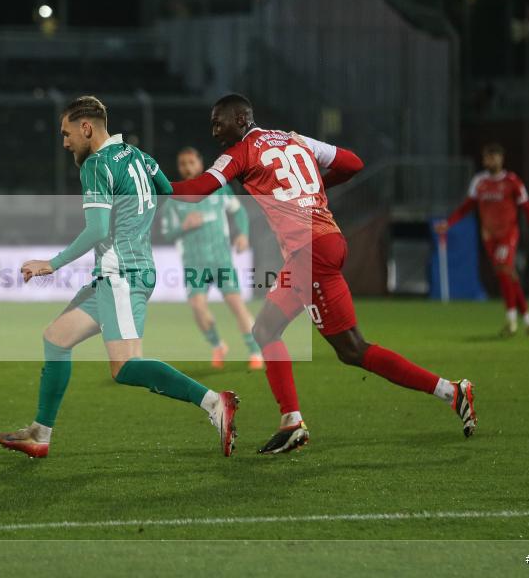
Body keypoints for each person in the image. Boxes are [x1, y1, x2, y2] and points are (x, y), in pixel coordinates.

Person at [171, 93, 477, 454]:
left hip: (309, 252)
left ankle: (450, 392)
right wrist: (309, 187)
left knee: (352, 349)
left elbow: (197, 190)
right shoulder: (293, 139)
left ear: (241, 119)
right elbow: (353, 163)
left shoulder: (240, 151)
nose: (213, 129)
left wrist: (148, 183)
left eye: (217, 121)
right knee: (271, 330)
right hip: (325, 242)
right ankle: (293, 420)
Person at [0, 96, 239, 458]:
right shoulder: (140, 157)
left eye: (67, 133)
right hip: (130, 269)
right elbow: (170, 192)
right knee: (57, 338)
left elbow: (96, 229)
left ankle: (215, 402)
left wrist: (52, 263)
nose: (65, 142)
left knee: (125, 367)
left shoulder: (95, 165)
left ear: (86, 127)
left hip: (122, 273)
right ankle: (39, 433)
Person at [160, 146, 263, 370]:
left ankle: (255, 350)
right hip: (194, 263)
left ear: (200, 163)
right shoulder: (173, 199)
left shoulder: (219, 189)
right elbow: (167, 232)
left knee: (236, 305)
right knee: (197, 307)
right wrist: (183, 227)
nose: (187, 167)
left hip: (221, 260)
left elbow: (239, 212)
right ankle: (217, 345)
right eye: (183, 163)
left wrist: (243, 234)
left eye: (191, 162)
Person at [436, 143, 529, 336]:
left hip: (508, 234)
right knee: (509, 275)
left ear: (501, 159)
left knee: (504, 270)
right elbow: (467, 207)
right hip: (489, 237)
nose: (491, 160)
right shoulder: (479, 181)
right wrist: (449, 222)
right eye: (488, 157)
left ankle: (511, 320)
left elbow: (527, 208)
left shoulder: (512, 181)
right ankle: (528, 320)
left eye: (494, 157)